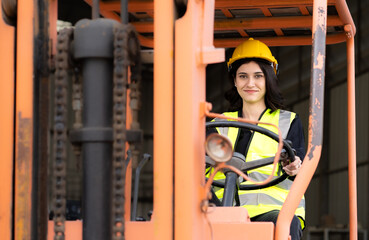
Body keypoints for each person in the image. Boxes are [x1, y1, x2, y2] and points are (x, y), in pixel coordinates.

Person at [206, 38, 306, 240]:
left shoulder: (287, 122)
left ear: (269, 79)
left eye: (258, 76)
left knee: (287, 225)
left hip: (271, 213)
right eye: (243, 76)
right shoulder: (216, 125)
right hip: (218, 212)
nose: (250, 83)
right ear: (234, 80)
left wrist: (294, 167)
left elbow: (298, 167)